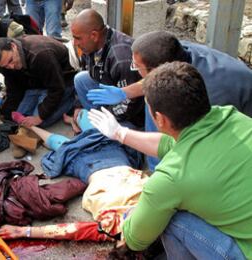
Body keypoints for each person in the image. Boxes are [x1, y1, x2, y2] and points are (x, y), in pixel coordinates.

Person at [88, 62, 252, 259]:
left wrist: (132, 217)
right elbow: (170, 143)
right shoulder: (236, 119)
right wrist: (120, 134)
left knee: (172, 218)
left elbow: (135, 239)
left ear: (159, 119)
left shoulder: (171, 178)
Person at [86, 30, 252, 171]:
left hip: (240, 128)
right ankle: (158, 162)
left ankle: (163, 167)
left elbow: (197, 139)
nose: (133, 70)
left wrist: (121, 134)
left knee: (158, 103)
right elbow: (157, 78)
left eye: (137, 67)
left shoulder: (208, 94)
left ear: (158, 68)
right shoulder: (177, 53)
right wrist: (124, 93)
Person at [0, 111, 145, 242]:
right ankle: (72, 120)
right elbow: (74, 230)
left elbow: (76, 231)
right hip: (108, 158)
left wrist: (24, 232)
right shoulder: (126, 227)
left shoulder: (121, 229)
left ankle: (31, 127)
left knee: (69, 143)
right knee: (79, 135)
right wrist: (25, 232)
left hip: (96, 163)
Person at [70, 9, 144, 133]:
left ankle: (93, 126)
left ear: (94, 35)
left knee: (100, 134)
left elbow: (129, 106)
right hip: (109, 92)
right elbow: (86, 69)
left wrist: (102, 118)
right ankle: (89, 122)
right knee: (80, 79)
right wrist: (78, 106)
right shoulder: (90, 45)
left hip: (131, 115)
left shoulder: (121, 58)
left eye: (78, 38)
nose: (75, 43)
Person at [0, 36, 76, 128]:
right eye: (6, 66)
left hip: (63, 81)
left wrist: (40, 117)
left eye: (11, 60)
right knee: (20, 117)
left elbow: (57, 89)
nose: (12, 66)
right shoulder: (6, 62)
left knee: (40, 123)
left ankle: (72, 100)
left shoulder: (40, 55)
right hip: (38, 84)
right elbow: (14, 89)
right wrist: (6, 115)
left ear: (13, 46)